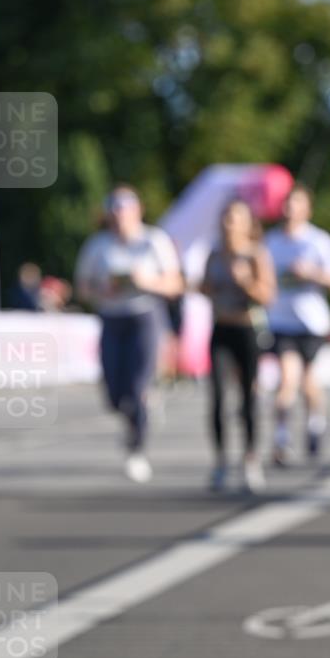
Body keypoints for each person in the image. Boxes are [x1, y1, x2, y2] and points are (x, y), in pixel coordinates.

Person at [74, 186, 183, 482]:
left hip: (145, 317)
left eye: (125, 208)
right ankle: (140, 411)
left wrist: (147, 282)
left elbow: (175, 284)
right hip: (112, 318)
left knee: (136, 389)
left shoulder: (154, 240)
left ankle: (136, 448)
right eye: (114, 209)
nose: (120, 215)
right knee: (114, 394)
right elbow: (82, 287)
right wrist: (101, 289)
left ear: (137, 211)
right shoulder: (98, 245)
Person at [265, 184, 330, 463]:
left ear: (306, 209)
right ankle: (281, 438)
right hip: (280, 320)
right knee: (287, 380)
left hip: (312, 323)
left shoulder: (318, 241)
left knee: (309, 381)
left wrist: (312, 273)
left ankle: (315, 423)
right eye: (287, 203)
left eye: (296, 203)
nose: (290, 209)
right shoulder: (271, 242)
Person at [201, 199, 275, 492]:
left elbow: (267, 295)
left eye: (236, 218)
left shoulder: (256, 254)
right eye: (226, 217)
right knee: (218, 398)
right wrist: (208, 288)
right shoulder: (214, 255)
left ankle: (250, 459)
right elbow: (205, 287)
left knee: (247, 399)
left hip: (248, 330)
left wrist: (245, 282)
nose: (229, 223)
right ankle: (220, 461)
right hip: (221, 329)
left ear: (247, 223)